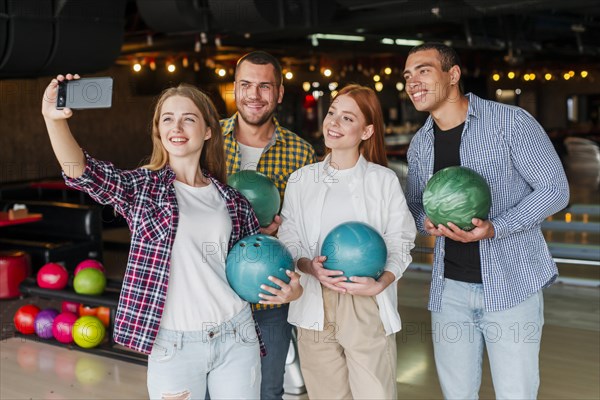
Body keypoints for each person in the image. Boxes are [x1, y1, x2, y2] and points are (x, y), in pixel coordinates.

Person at [42, 75, 263, 399]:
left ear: (207, 131)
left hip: (236, 334)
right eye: (167, 119)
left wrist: (289, 283)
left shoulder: (232, 199)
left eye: (189, 119)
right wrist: (53, 119)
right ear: (159, 131)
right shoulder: (143, 188)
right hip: (175, 344)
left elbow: (254, 266)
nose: (177, 126)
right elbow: (84, 173)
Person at [403, 42, 570, 399]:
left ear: (453, 75)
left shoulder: (510, 122)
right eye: (407, 75)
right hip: (450, 291)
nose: (412, 81)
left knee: (516, 392)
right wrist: (425, 222)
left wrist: (496, 228)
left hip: (512, 285)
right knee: (457, 394)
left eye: (423, 70)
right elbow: (416, 203)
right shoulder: (420, 144)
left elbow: (555, 189)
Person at [277, 84, 417, 399]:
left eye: (347, 118)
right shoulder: (302, 180)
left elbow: (401, 239)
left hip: (365, 300)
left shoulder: (383, 181)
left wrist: (381, 283)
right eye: (332, 113)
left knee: (375, 393)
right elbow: (290, 236)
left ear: (367, 131)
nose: (334, 123)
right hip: (314, 300)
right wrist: (307, 266)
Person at [220, 50, 317, 400]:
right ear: (234, 88)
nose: (254, 95)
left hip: (270, 299)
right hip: (212, 294)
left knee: (267, 392)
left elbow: (306, 228)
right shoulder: (207, 140)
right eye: (246, 84)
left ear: (278, 93)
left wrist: (282, 236)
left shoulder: (301, 152)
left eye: (265, 86)